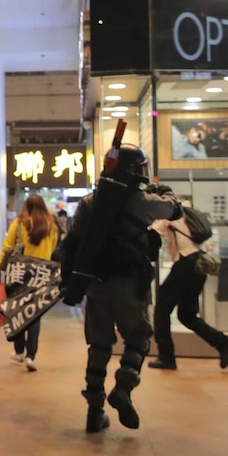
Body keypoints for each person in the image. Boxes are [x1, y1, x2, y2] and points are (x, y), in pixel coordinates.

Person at [61, 144, 182, 433]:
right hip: (130, 285)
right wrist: (162, 189)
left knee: (99, 346)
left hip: (95, 285)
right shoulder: (140, 200)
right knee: (139, 338)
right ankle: (124, 388)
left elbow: (71, 243)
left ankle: (94, 411)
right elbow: (174, 210)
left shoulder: (90, 201)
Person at [148, 205, 228, 370]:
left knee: (161, 311)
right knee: (187, 315)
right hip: (199, 263)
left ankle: (166, 358)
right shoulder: (187, 212)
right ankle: (224, 343)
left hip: (185, 263)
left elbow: (152, 231)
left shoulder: (168, 213)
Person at [0, 195, 58, 372]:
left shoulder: (20, 223)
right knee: (34, 314)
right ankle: (31, 356)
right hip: (41, 274)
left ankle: (19, 352)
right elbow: (52, 248)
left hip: (20, 274)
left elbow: (7, 247)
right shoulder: (50, 226)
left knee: (17, 310)